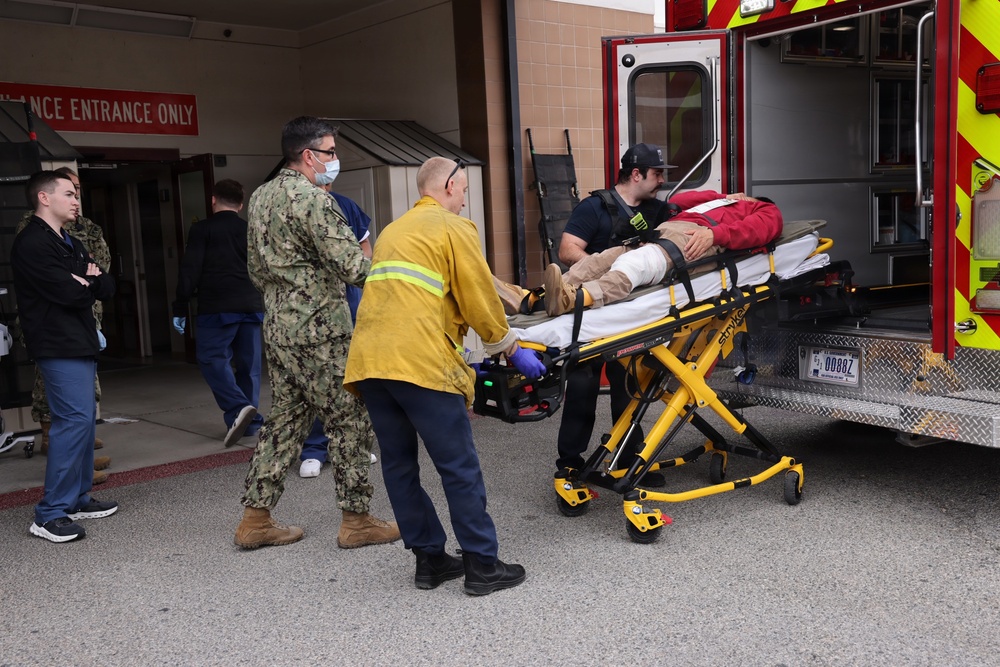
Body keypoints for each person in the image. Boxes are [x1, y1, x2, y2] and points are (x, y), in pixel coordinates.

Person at [345, 156, 542, 595]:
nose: (465, 198)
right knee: (458, 466)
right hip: (420, 365)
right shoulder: (455, 228)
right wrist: (509, 347)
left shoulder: (393, 231)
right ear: (450, 185)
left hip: (371, 364)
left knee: (399, 466)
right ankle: (482, 566)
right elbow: (477, 296)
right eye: (465, 189)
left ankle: (430, 561)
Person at [235, 116, 399, 550]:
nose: (334, 160)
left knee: (285, 421)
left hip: (280, 329)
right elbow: (353, 266)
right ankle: (358, 520)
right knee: (348, 419)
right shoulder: (313, 200)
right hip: (322, 331)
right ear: (308, 155)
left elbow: (254, 270)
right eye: (330, 152)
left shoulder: (261, 197)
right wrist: (402, 277)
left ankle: (255, 518)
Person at [12, 171, 117, 543]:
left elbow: (105, 284)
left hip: (79, 340)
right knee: (72, 423)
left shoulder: (69, 242)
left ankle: (76, 497)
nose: (76, 201)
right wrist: (85, 280)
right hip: (57, 343)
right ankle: (50, 512)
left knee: (84, 422)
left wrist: (86, 278)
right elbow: (68, 293)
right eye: (69, 194)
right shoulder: (33, 244)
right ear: (44, 197)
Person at [542, 190, 783, 315]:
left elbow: (760, 229)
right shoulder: (723, 202)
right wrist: (722, 197)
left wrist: (715, 235)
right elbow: (679, 200)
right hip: (666, 231)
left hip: (697, 236)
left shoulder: (764, 207)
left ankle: (580, 298)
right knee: (602, 259)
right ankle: (537, 297)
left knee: (638, 263)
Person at [172, 179, 265, 448]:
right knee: (249, 366)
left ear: (213, 200)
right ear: (241, 203)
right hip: (250, 305)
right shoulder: (250, 230)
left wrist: (180, 304)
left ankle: (238, 409)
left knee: (211, 359)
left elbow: (191, 269)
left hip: (217, 306)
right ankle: (249, 424)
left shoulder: (202, 230)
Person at [299, 187, 374, 479]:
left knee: (353, 379)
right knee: (319, 381)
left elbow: (365, 249)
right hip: (313, 313)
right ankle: (314, 449)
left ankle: (353, 446)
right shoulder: (298, 205)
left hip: (349, 308)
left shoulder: (345, 205)